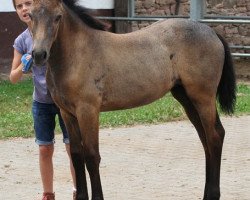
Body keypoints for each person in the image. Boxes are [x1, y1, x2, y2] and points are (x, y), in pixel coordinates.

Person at [9, 0, 76, 199]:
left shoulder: (55, 31)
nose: (24, 9)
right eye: (19, 6)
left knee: (72, 147)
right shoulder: (21, 40)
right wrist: (24, 64)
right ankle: (48, 194)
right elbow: (13, 77)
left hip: (64, 99)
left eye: (27, 3)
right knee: (45, 149)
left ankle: (77, 189)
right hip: (42, 103)